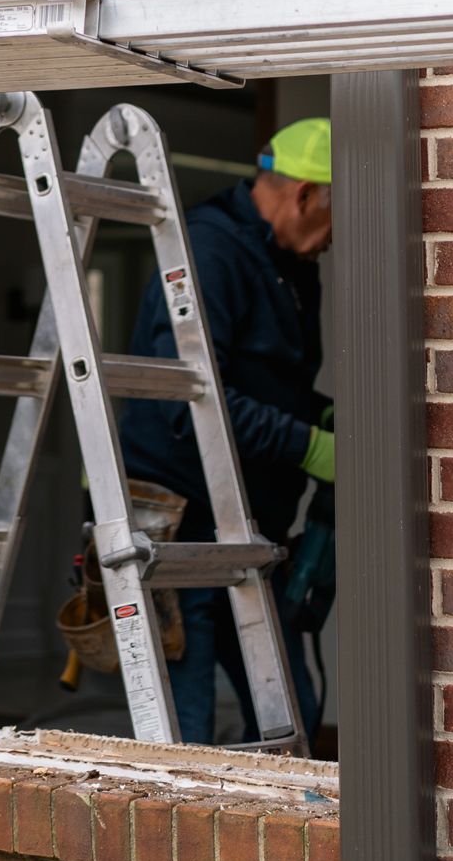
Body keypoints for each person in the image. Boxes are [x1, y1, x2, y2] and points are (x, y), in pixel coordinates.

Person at [117, 117, 335, 744]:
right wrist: (310, 446)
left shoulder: (291, 264)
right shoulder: (209, 252)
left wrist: (314, 414)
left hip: (245, 531)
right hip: (180, 527)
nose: (334, 238)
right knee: (182, 730)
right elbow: (190, 405)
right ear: (302, 196)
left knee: (293, 716)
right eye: (335, 216)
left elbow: (258, 377)